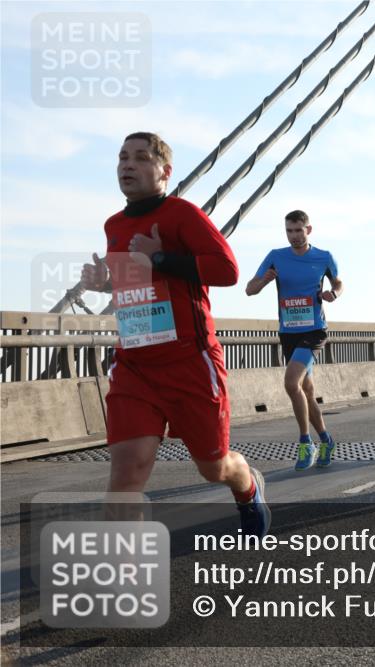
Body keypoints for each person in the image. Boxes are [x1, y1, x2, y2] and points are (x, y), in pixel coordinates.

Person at [80, 132, 269, 537]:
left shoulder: (183, 214)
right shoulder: (114, 225)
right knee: (127, 473)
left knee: (213, 467)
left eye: (140, 158)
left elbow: (227, 271)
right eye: (122, 157)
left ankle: (248, 487)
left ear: (165, 171)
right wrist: (105, 282)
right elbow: (140, 280)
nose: (128, 165)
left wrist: (162, 257)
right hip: (135, 365)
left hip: (190, 363)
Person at [246, 210, 342, 471]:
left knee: (291, 382)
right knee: (306, 391)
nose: (294, 236)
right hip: (288, 332)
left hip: (314, 330)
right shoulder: (276, 256)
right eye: (289, 231)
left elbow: (338, 282)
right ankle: (326, 439)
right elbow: (250, 290)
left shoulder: (323, 256)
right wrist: (264, 281)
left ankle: (305, 442)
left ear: (308, 230)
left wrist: (333, 293)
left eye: (298, 230)